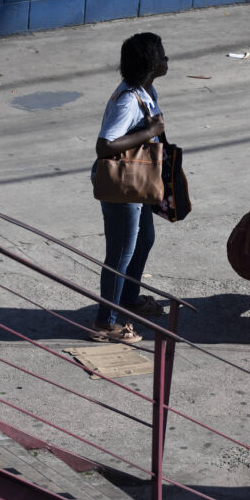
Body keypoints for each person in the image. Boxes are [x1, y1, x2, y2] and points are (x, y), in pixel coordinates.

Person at [91, 32, 169, 344]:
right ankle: (105, 322)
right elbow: (105, 145)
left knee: (144, 239)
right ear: (151, 64)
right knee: (121, 252)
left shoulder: (144, 89)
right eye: (162, 55)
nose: (167, 60)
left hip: (137, 183)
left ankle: (129, 298)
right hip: (121, 187)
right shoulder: (127, 101)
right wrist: (150, 131)